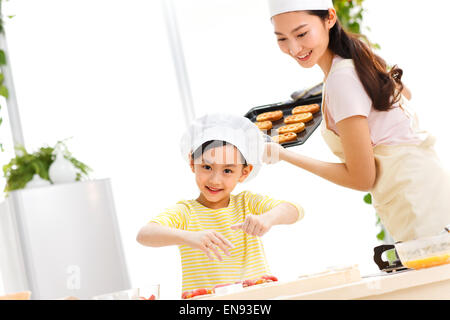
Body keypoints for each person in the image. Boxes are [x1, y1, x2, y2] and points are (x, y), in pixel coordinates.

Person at [264, 0, 450, 242]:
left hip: (416, 203)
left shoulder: (341, 79)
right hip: (428, 185)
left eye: (301, 33)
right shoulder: (353, 59)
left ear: (329, 18)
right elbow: (405, 94)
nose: (294, 47)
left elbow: (362, 179)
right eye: (282, 38)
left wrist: (284, 155)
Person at [136, 113, 303, 293]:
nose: (215, 180)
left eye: (228, 171)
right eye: (207, 167)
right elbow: (145, 234)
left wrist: (268, 218)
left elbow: (295, 210)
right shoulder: (185, 212)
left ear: (244, 172)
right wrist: (189, 237)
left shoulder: (247, 203)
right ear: (193, 163)